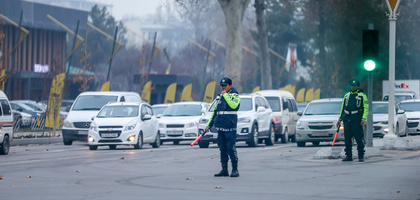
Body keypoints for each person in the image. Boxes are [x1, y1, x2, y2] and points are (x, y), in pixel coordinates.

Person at [205, 77, 241, 177]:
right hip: (220, 127)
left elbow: (233, 106)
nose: (223, 88)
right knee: (222, 149)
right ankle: (224, 169)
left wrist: (225, 95)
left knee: (231, 148)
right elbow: (215, 112)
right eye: (222, 86)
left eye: (225, 86)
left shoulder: (235, 95)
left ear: (230, 86)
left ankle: (235, 169)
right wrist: (209, 125)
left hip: (230, 127)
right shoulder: (219, 97)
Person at [336, 79, 368, 162]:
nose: (353, 87)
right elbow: (343, 108)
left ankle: (361, 156)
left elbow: (366, 108)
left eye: (354, 86)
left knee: (359, 139)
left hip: (357, 120)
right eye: (352, 85)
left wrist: (363, 119)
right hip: (347, 120)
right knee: (347, 139)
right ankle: (348, 156)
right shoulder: (347, 95)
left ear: (358, 86)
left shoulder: (362, 96)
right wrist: (340, 119)